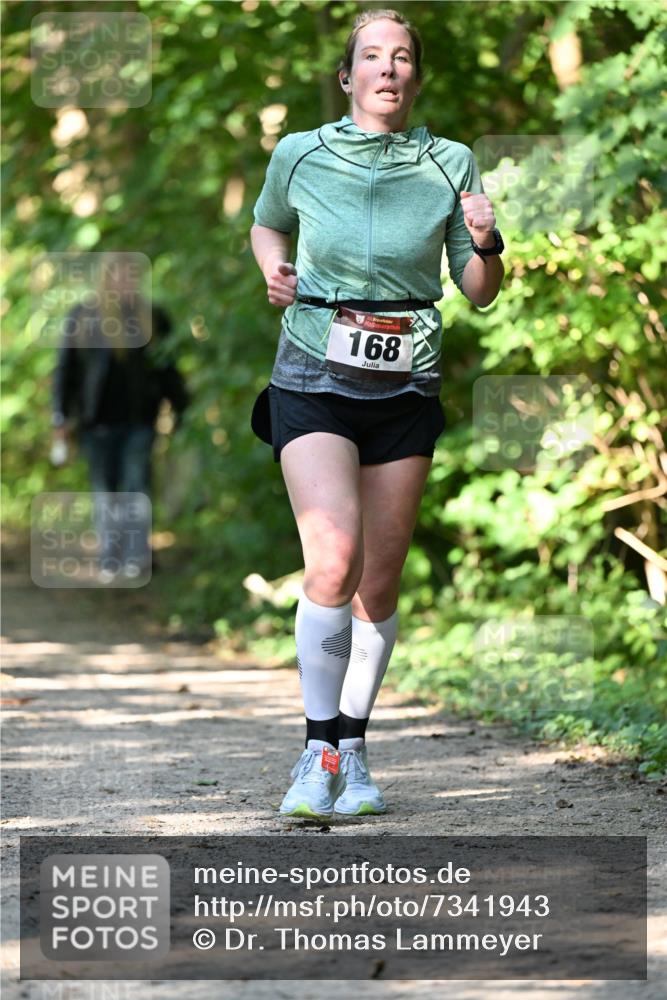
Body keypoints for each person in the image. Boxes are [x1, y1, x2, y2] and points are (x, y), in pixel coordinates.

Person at [250, 8, 504, 819]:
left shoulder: (447, 161)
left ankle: (353, 750)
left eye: (400, 58)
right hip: (313, 375)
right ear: (347, 75)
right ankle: (315, 752)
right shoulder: (301, 152)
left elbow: (479, 292)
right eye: (371, 56)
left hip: (405, 390)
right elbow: (265, 224)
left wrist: (487, 242)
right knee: (333, 560)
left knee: (380, 584)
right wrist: (276, 269)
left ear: (414, 77)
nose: (386, 69)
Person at [51, 254, 189, 581]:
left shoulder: (153, 317)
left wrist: (181, 406)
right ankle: (110, 556)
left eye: (132, 277)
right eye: (120, 277)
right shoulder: (83, 316)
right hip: (94, 421)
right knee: (105, 489)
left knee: (136, 485)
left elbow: (167, 369)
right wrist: (60, 416)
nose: (127, 283)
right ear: (106, 279)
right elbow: (65, 371)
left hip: (139, 419)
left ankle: (135, 555)